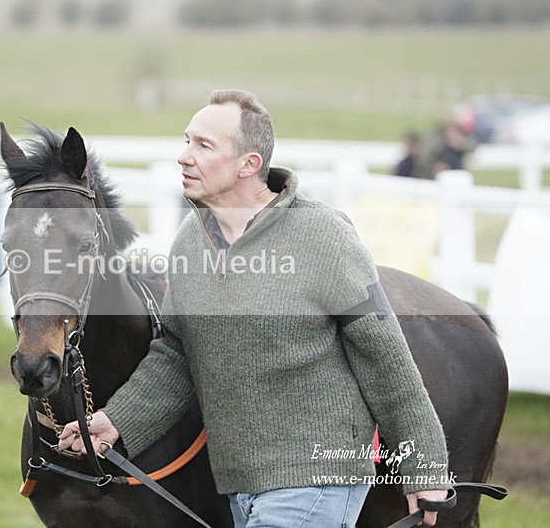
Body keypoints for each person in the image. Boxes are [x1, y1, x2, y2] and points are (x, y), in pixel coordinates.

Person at [58, 90, 450, 527]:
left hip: (318, 479)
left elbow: (386, 359)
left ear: (249, 164)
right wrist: (117, 422)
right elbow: (177, 356)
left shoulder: (323, 235)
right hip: (242, 488)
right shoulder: (190, 241)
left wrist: (425, 466)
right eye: (187, 141)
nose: (184, 156)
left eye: (204, 145)